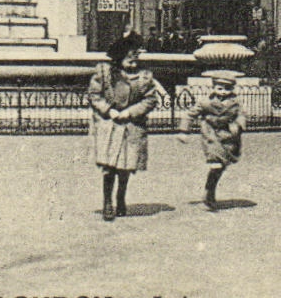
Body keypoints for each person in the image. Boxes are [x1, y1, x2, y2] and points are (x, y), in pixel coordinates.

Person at [87, 32, 163, 221]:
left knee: (125, 167)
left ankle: (121, 197)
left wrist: (130, 112)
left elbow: (150, 100)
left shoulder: (144, 76)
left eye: (136, 57)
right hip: (109, 124)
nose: (133, 62)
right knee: (109, 167)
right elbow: (94, 95)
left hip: (131, 125)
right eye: (130, 57)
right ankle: (107, 203)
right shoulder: (104, 72)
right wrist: (109, 110)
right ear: (120, 56)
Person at [179, 70, 247, 211]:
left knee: (221, 166)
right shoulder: (206, 102)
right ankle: (209, 192)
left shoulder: (236, 103)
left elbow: (242, 116)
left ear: (232, 89)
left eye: (227, 89)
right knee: (216, 164)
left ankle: (210, 191)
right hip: (211, 135)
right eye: (219, 88)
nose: (223, 92)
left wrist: (238, 125)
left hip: (229, 137)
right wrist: (184, 131)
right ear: (214, 88)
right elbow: (189, 115)